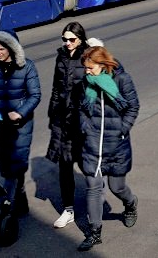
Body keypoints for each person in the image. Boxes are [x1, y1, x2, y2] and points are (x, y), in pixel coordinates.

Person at [77, 45, 140, 251]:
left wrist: (123, 129)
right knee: (93, 188)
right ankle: (95, 233)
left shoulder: (122, 80)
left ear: (103, 65)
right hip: (93, 145)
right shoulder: (86, 83)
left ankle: (130, 204)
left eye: (90, 68)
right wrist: (85, 127)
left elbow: (133, 106)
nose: (87, 72)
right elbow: (82, 109)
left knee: (116, 187)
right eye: (85, 68)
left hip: (116, 145)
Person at [46, 22, 104, 230]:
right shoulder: (61, 56)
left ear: (81, 38)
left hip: (82, 121)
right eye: (65, 39)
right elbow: (56, 87)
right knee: (64, 165)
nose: (68, 43)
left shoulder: (88, 56)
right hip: (63, 120)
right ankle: (68, 210)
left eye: (72, 39)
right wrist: (53, 112)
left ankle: (96, 198)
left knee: (86, 164)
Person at [0, 30, 41, 216]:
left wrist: (20, 113)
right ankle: (20, 201)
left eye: (1, 49)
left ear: (11, 48)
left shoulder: (27, 67)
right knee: (7, 166)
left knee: (17, 165)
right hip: (1, 124)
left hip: (20, 125)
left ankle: (10, 208)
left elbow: (35, 95)